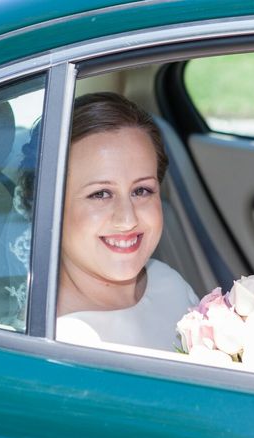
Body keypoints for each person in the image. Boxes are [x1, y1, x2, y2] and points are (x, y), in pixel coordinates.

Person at [54, 92, 199, 350]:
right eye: (100, 194)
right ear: (53, 205)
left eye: (141, 190)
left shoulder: (168, 283)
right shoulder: (62, 340)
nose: (127, 219)